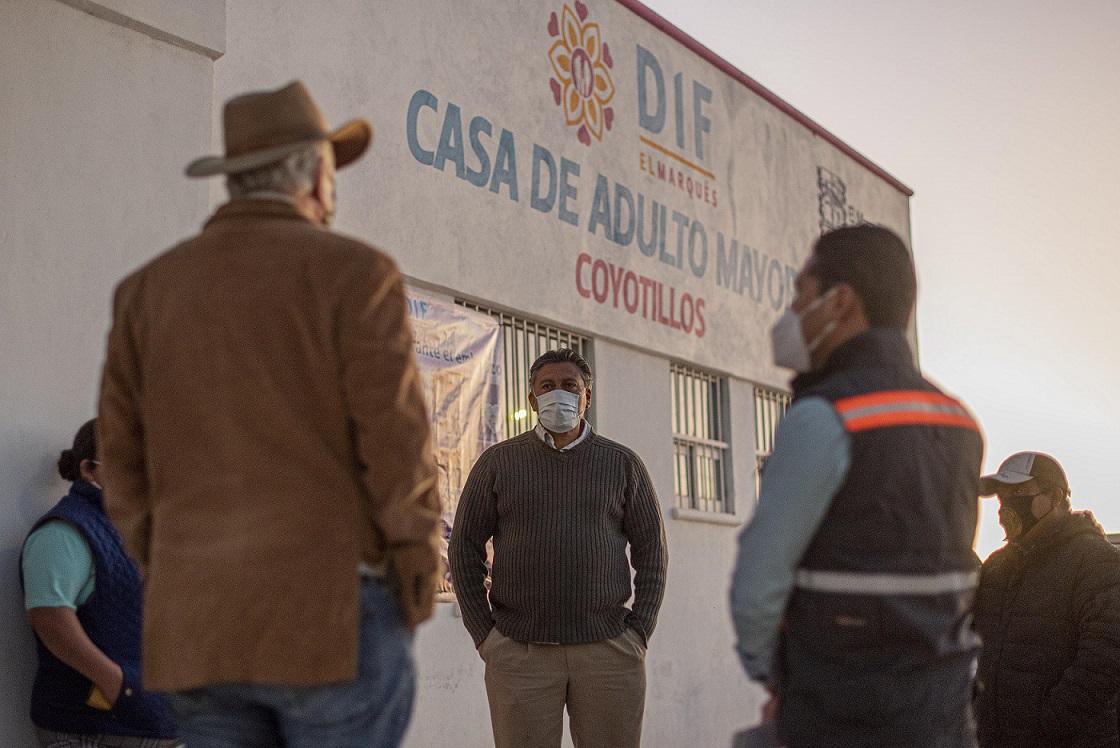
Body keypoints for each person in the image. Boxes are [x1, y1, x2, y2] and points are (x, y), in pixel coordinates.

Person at [97, 81, 442, 747]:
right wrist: (416, 555)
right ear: (316, 171)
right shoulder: (357, 273)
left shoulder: (144, 291)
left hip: (197, 618)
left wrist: (167, 564)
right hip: (330, 611)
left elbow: (122, 459)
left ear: (235, 181)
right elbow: (395, 438)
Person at [729, 224, 984, 746]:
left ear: (841, 302)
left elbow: (757, 587)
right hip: (943, 715)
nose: (792, 313)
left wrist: (777, 677)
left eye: (800, 293)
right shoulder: (961, 422)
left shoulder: (826, 416)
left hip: (838, 717)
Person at [450, 348, 668, 748]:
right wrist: (485, 634)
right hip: (520, 654)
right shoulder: (498, 463)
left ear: (587, 396)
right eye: (546, 387)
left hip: (608, 652)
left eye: (570, 386)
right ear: (532, 399)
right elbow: (464, 547)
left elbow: (652, 552)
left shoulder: (622, 464)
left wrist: (640, 630)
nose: (559, 395)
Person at [20, 419, 179, 747]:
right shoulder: (63, 533)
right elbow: (49, 617)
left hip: (152, 720)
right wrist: (119, 686)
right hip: (93, 728)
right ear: (90, 470)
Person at [973, 452, 1120, 747]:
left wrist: (1050, 724)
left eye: (1017, 493)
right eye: (1002, 498)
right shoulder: (997, 566)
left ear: (1053, 497)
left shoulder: (1096, 561)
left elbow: (1106, 655)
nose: (1005, 508)